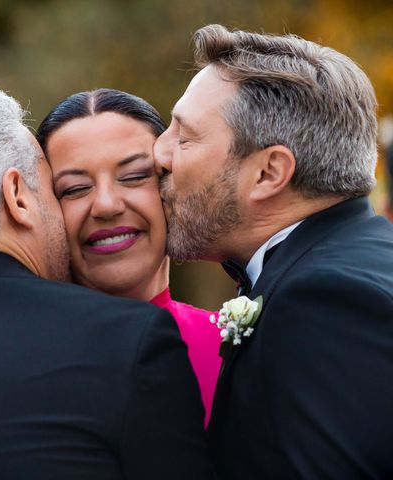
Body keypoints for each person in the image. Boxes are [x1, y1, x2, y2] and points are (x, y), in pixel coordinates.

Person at [0, 85, 211, 479]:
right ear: (17, 195)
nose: (107, 205)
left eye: (134, 175)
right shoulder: (125, 342)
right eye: (68, 189)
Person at [154, 24, 393, 479]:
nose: (158, 153)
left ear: (268, 173)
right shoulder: (354, 263)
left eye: (184, 137)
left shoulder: (327, 302)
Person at [35, 88, 222, 424]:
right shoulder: (18, 362)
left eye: (134, 177)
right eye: (75, 189)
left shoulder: (239, 349)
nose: (106, 205)